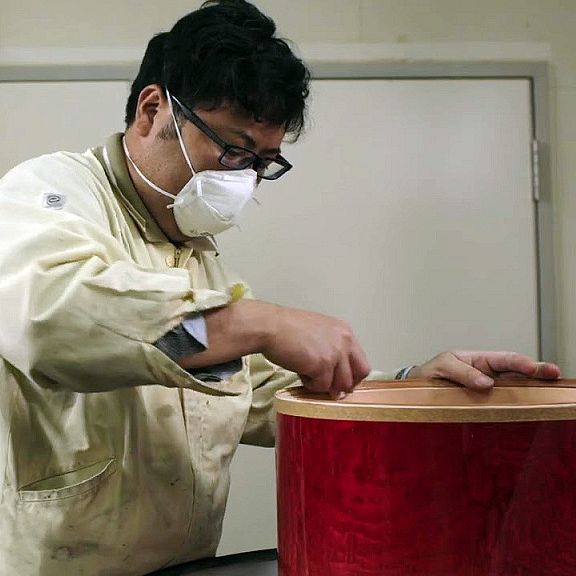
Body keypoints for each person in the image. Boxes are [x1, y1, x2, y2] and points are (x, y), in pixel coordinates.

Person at [0, 1, 560, 574]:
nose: (243, 178)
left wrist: (409, 387)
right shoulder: (49, 194)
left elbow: (237, 381)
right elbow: (53, 323)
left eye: (263, 162)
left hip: (183, 565)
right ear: (152, 110)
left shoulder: (190, 251)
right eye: (233, 149)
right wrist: (260, 321)